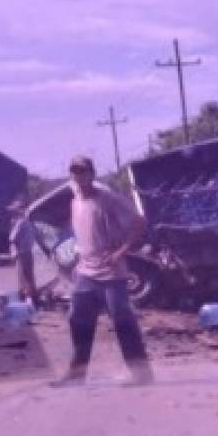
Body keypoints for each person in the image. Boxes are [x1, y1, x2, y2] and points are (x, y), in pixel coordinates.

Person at [52, 155, 152, 386]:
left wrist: (120, 252)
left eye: (83, 171)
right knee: (77, 320)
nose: (78, 176)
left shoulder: (107, 199)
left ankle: (141, 373)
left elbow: (139, 223)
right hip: (86, 272)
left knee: (122, 320)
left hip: (111, 274)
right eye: (74, 172)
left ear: (92, 174)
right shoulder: (74, 201)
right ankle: (77, 374)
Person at [8, 198, 41, 307]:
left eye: (15, 210)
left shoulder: (21, 222)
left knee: (24, 278)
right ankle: (34, 300)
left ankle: (28, 301)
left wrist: (13, 254)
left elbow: (12, 238)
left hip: (22, 253)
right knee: (29, 277)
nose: (13, 213)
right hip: (28, 252)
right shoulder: (28, 221)